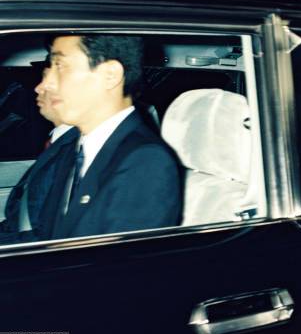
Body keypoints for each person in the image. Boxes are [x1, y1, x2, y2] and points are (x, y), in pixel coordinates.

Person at [35, 34, 181, 240]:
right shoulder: (74, 150)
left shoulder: (145, 161)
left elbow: (121, 268)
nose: (44, 85)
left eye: (60, 66)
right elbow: (48, 238)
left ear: (110, 75)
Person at [0, 65, 78, 243]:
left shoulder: (74, 150)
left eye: (51, 81)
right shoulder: (56, 143)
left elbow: (41, 234)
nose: (38, 88)